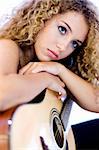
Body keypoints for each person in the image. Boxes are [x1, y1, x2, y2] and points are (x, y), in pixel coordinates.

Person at [0, 0, 99, 148]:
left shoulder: (60, 66)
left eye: (75, 43)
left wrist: (60, 70)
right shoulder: (8, 46)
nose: (63, 47)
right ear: (42, 19)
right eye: (62, 30)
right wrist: (45, 78)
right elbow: (2, 95)